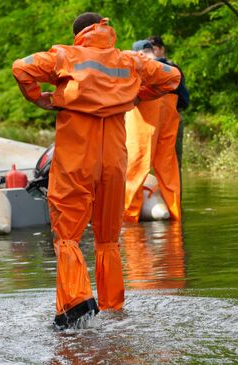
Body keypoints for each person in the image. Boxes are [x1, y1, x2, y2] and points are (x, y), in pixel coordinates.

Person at [12, 12, 181, 329]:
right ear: (105, 30)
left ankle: (76, 305)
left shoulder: (65, 55)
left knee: (68, 237)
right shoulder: (129, 60)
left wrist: (42, 99)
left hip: (77, 158)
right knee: (108, 240)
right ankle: (113, 309)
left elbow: (21, 68)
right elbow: (172, 78)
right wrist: (133, 97)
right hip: (115, 161)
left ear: (78, 34)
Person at [123, 40, 182, 222]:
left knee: (137, 164)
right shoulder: (171, 67)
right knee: (168, 168)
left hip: (144, 117)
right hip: (169, 118)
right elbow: (184, 98)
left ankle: (129, 218)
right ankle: (174, 215)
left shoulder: (134, 65)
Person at [147, 36, 190, 174]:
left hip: (172, 119)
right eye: (149, 50)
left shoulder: (171, 68)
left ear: (162, 49)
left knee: (173, 161)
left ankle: (174, 195)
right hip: (150, 121)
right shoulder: (146, 67)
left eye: (154, 49)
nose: (151, 53)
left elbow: (184, 99)